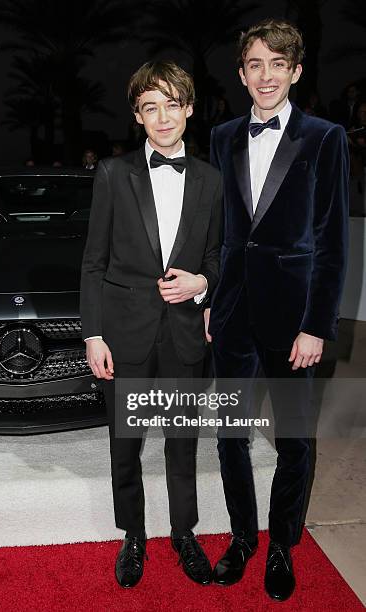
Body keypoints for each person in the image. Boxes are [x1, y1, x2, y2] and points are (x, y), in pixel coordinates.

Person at [206, 19, 349, 601]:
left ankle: (283, 545)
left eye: (277, 65)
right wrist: (213, 299)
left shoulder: (324, 137)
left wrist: (317, 324)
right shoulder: (220, 137)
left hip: (295, 318)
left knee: (293, 440)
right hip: (235, 309)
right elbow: (223, 233)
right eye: (255, 65)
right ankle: (243, 537)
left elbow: (334, 241)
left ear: (295, 72)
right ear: (242, 74)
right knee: (229, 434)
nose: (266, 76)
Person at [80, 61, 222, 588]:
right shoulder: (114, 174)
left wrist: (201, 285)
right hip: (125, 335)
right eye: (149, 107)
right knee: (126, 441)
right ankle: (133, 535)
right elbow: (93, 261)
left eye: (171, 104)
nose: (162, 117)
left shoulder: (211, 179)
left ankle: (184, 533)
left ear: (189, 107)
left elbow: (217, 255)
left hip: (184, 333)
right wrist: (93, 334)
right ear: (138, 116)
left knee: (182, 442)